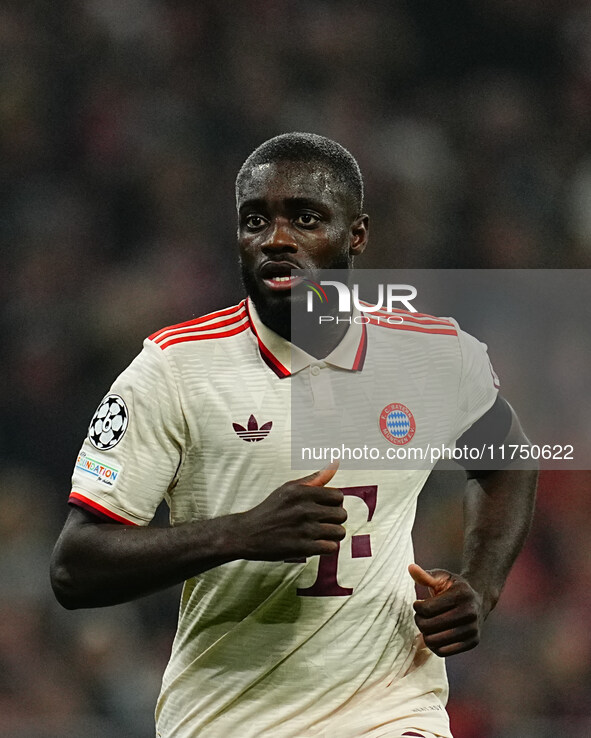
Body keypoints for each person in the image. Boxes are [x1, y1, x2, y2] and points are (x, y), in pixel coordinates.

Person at [50, 132, 537, 738]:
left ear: (355, 234)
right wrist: (241, 533)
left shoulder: (434, 354)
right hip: (227, 719)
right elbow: (75, 567)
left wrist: (481, 588)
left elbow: (509, 458)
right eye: (256, 221)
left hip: (389, 712)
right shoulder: (173, 368)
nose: (276, 239)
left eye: (305, 218)